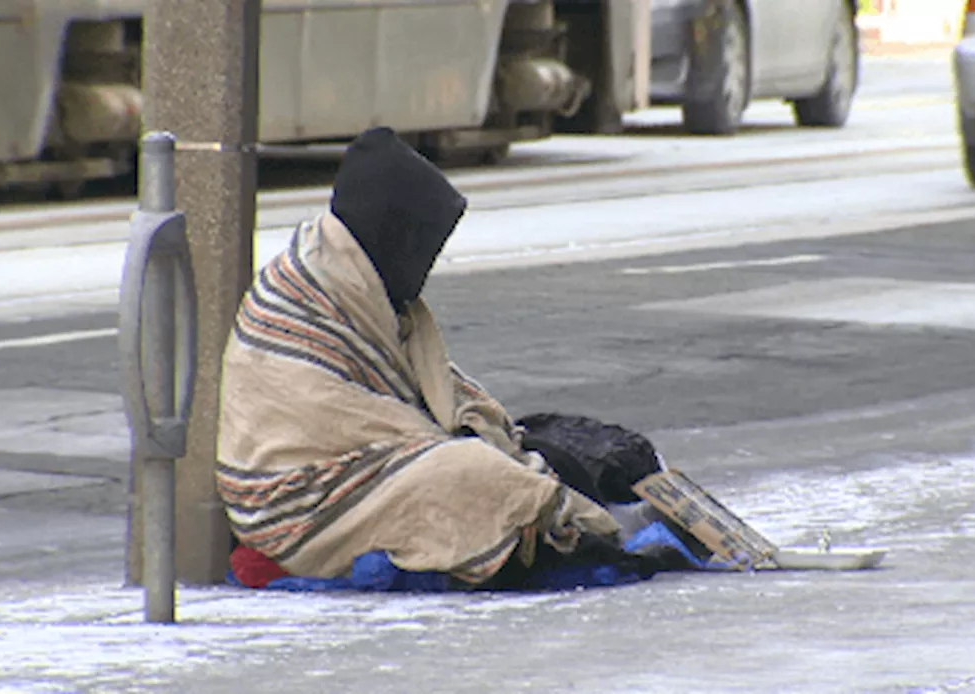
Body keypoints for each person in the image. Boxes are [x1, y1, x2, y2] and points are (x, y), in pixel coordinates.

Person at [216, 127, 691, 590]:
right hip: (296, 502)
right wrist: (499, 461)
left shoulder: (363, 283)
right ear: (393, 232)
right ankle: (557, 538)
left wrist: (507, 442)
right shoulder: (308, 295)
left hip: (367, 467)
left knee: (524, 452)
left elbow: (433, 389)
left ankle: (552, 521)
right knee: (478, 478)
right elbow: (341, 420)